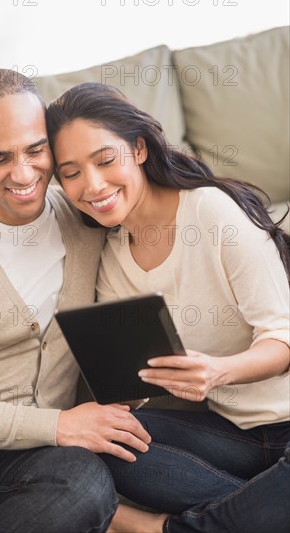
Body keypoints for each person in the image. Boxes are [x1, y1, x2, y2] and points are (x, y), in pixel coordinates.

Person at [0, 70, 152, 533]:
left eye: (36, 150)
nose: (23, 173)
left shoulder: (84, 216)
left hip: (30, 464)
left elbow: (155, 212)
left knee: (87, 487)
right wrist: (60, 426)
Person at [46, 82, 290, 533]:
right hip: (235, 437)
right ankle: (259, 508)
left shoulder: (211, 212)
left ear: (138, 149)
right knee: (101, 443)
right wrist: (97, 413)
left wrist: (220, 371)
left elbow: (282, 340)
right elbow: (131, 379)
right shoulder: (113, 256)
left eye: (105, 160)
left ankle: (158, 528)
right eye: (71, 172)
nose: (93, 185)